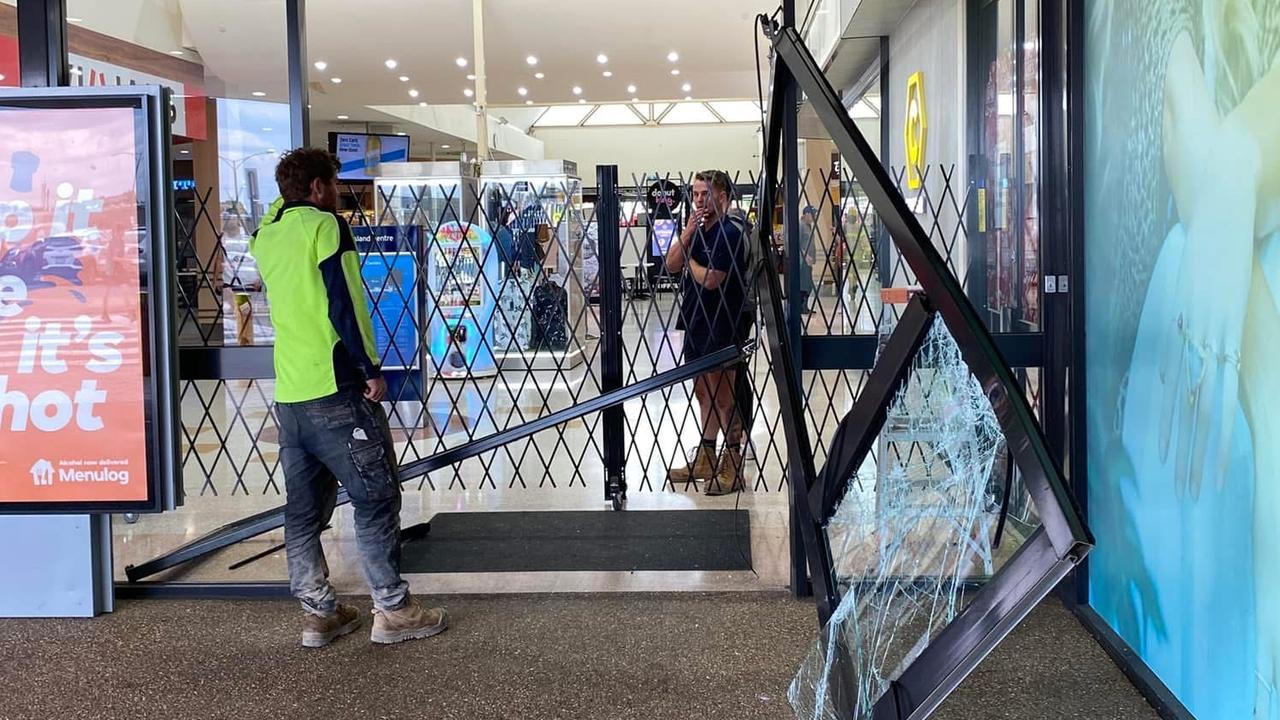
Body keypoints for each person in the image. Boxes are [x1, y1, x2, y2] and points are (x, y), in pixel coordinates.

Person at [250, 148, 447, 648]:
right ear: (318, 188)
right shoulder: (325, 227)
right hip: (336, 387)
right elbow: (345, 302)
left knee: (302, 509)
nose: (338, 193)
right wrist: (369, 369)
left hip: (291, 393)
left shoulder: (267, 235)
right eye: (334, 184)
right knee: (376, 496)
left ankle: (319, 612)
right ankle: (393, 609)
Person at [665, 170, 749, 495]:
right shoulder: (696, 231)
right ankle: (707, 454)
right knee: (704, 393)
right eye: (696, 194)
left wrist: (690, 264)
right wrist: (686, 235)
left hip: (723, 324)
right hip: (697, 322)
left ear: (723, 196)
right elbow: (671, 265)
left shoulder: (729, 232)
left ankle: (732, 461)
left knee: (724, 396)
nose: (700, 200)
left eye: (706, 194)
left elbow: (712, 278)